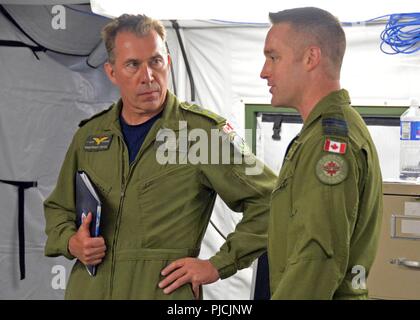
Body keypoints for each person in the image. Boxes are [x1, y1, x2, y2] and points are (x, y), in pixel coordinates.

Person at [44, 14, 276, 300]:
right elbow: (58, 209)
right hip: (89, 291)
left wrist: (219, 265)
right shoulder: (90, 136)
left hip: (160, 292)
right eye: (133, 65)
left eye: (155, 61)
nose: (148, 76)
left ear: (168, 62)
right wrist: (71, 242)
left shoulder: (201, 134)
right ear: (112, 72)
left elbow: (270, 199)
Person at [260, 7, 383, 299]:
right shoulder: (328, 132)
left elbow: (317, 260)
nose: (264, 71)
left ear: (310, 58)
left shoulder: (328, 143)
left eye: (273, 57)